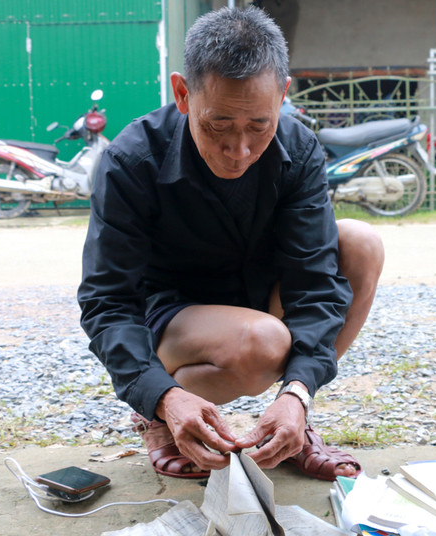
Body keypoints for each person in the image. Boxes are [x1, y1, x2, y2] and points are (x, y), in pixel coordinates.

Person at [78, 6, 384, 482]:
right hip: (174, 319)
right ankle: (158, 416)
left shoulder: (298, 150)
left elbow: (315, 288)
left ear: (283, 96)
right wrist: (162, 395)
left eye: (259, 126)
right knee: (263, 341)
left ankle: (294, 420)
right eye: (217, 125)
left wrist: (297, 393)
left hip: (262, 300)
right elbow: (108, 301)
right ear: (183, 94)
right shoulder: (131, 160)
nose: (239, 150)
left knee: (361, 244)